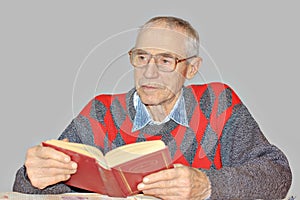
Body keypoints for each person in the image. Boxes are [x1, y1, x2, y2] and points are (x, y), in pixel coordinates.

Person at [13, 16, 292, 199]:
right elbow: (31, 188)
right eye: (142, 57)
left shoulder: (219, 103)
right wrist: (32, 175)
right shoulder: (100, 111)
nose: (149, 73)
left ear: (191, 68)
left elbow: (278, 176)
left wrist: (205, 185)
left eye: (165, 60)